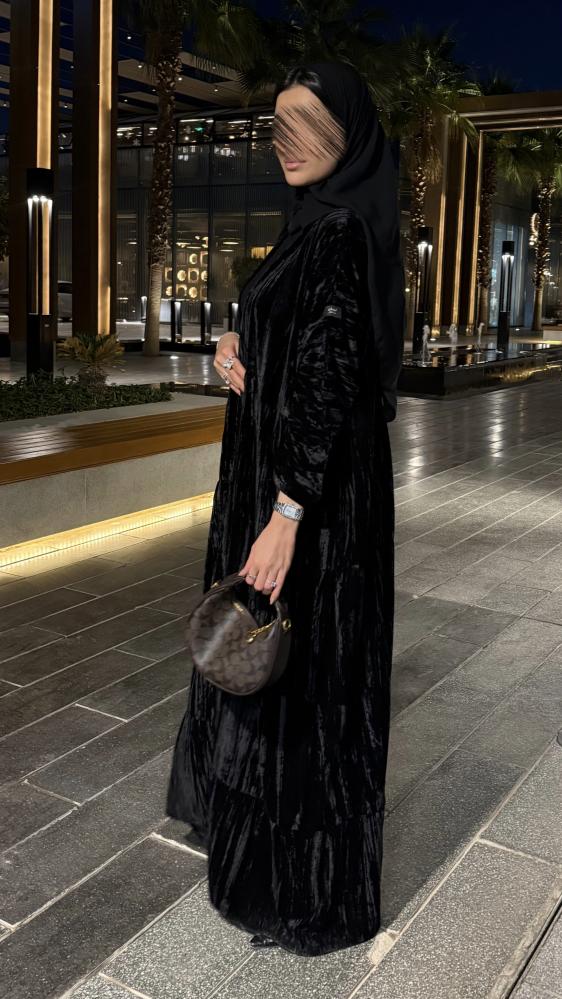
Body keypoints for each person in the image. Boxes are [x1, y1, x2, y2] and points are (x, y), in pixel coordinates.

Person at [166, 59, 405, 957]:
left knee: (299, 681)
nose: (288, 141)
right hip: (287, 489)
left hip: (312, 504)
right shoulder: (312, 225)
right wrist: (242, 343)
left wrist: (288, 513)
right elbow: (300, 342)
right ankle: (260, 857)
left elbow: (331, 382)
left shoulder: (339, 231)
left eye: (310, 123)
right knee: (279, 670)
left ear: (350, 136)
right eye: (279, 124)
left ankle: (299, 889)